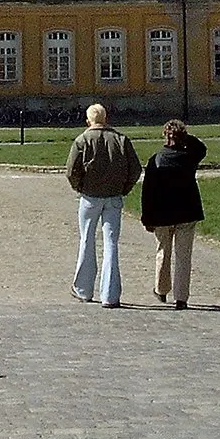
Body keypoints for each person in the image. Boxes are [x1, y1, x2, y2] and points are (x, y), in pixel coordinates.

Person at [64, 102, 140, 307]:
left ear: (88, 121)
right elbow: (135, 169)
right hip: (114, 196)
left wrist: (79, 187)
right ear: (105, 119)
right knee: (111, 244)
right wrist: (124, 187)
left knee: (87, 240)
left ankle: (83, 289)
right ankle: (110, 295)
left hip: (90, 197)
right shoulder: (121, 139)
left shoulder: (82, 140)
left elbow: (71, 171)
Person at [140, 119, 206, 309]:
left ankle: (161, 290)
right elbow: (202, 148)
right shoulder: (189, 155)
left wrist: (147, 217)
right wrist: (184, 137)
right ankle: (181, 297)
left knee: (163, 251)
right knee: (184, 255)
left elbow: (148, 191)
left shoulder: (156, 159)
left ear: (164, 136)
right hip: (187, 211)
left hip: (162, 213)